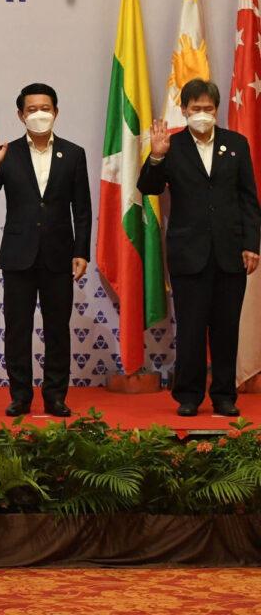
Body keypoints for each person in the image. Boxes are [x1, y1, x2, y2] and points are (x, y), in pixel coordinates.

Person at [138, 79, 261, 417]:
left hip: (230, 253)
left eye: (209, 108)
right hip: (188, 254)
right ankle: (189, 396)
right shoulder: (172, 146)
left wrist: (251, 244)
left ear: (217, 109)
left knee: (225, 329)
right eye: (196, 109)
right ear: (184, 111)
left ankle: (224, 395)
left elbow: (249, 199)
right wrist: (157, 157)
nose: (203, 114)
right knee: (191, 329)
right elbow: (147, 186)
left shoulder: (236, 144)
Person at [0, 82, 91, 418]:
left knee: (57, 328)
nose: (39, 114)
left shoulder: (73, 154)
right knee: (17, 328)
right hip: (18, 254)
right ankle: (20, 396)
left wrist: (81, 250)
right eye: (31, 109)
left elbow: (81, 210)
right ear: (20, 115)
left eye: (45, 108)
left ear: (56, 111)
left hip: (58, 254)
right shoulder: (6, 152)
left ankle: (55, 396)